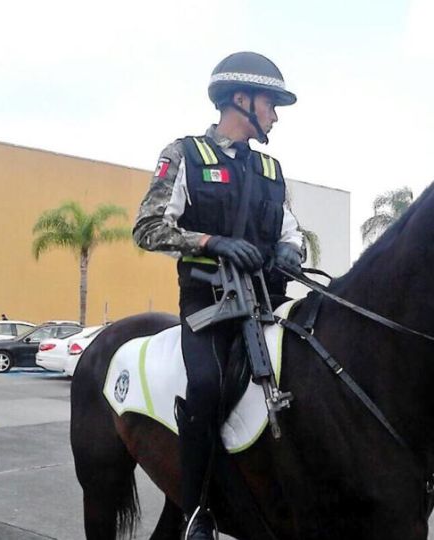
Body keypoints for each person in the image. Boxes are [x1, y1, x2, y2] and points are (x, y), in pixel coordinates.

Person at [133, 51, 305, 539]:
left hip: (265, 303)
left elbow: (293, 231)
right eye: (271, 103)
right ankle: (195, 511)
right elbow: (148, 228)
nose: (275, 114)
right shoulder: (184, 154)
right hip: (208, 303)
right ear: (240, 100)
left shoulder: (272, 170)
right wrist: (210, 241)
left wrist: (291, 252)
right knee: (207, 386)